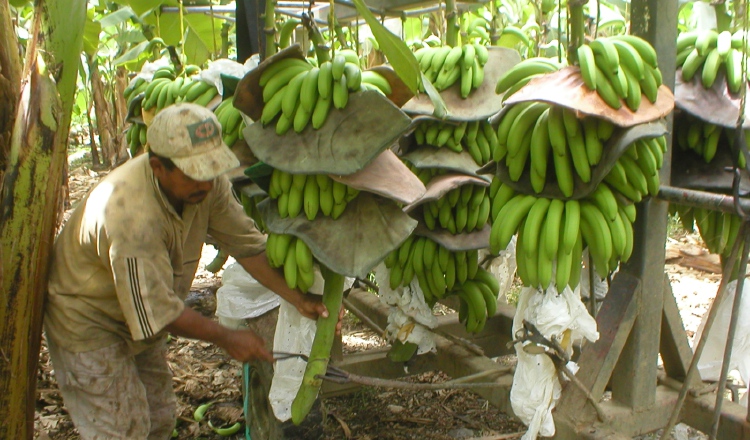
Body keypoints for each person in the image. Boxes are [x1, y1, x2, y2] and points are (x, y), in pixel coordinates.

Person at [44, 103, 333, 439]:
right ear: (157, 166)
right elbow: (159, 311)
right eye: (194, 172)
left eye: (211, 169)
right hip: (89, 320)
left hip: (144, 309)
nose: (206, 182)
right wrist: (227, 337)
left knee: (158, 417)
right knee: (121, 429)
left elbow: (248, 247)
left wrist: (298, 299)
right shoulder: (131, 217)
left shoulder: (208, 185)